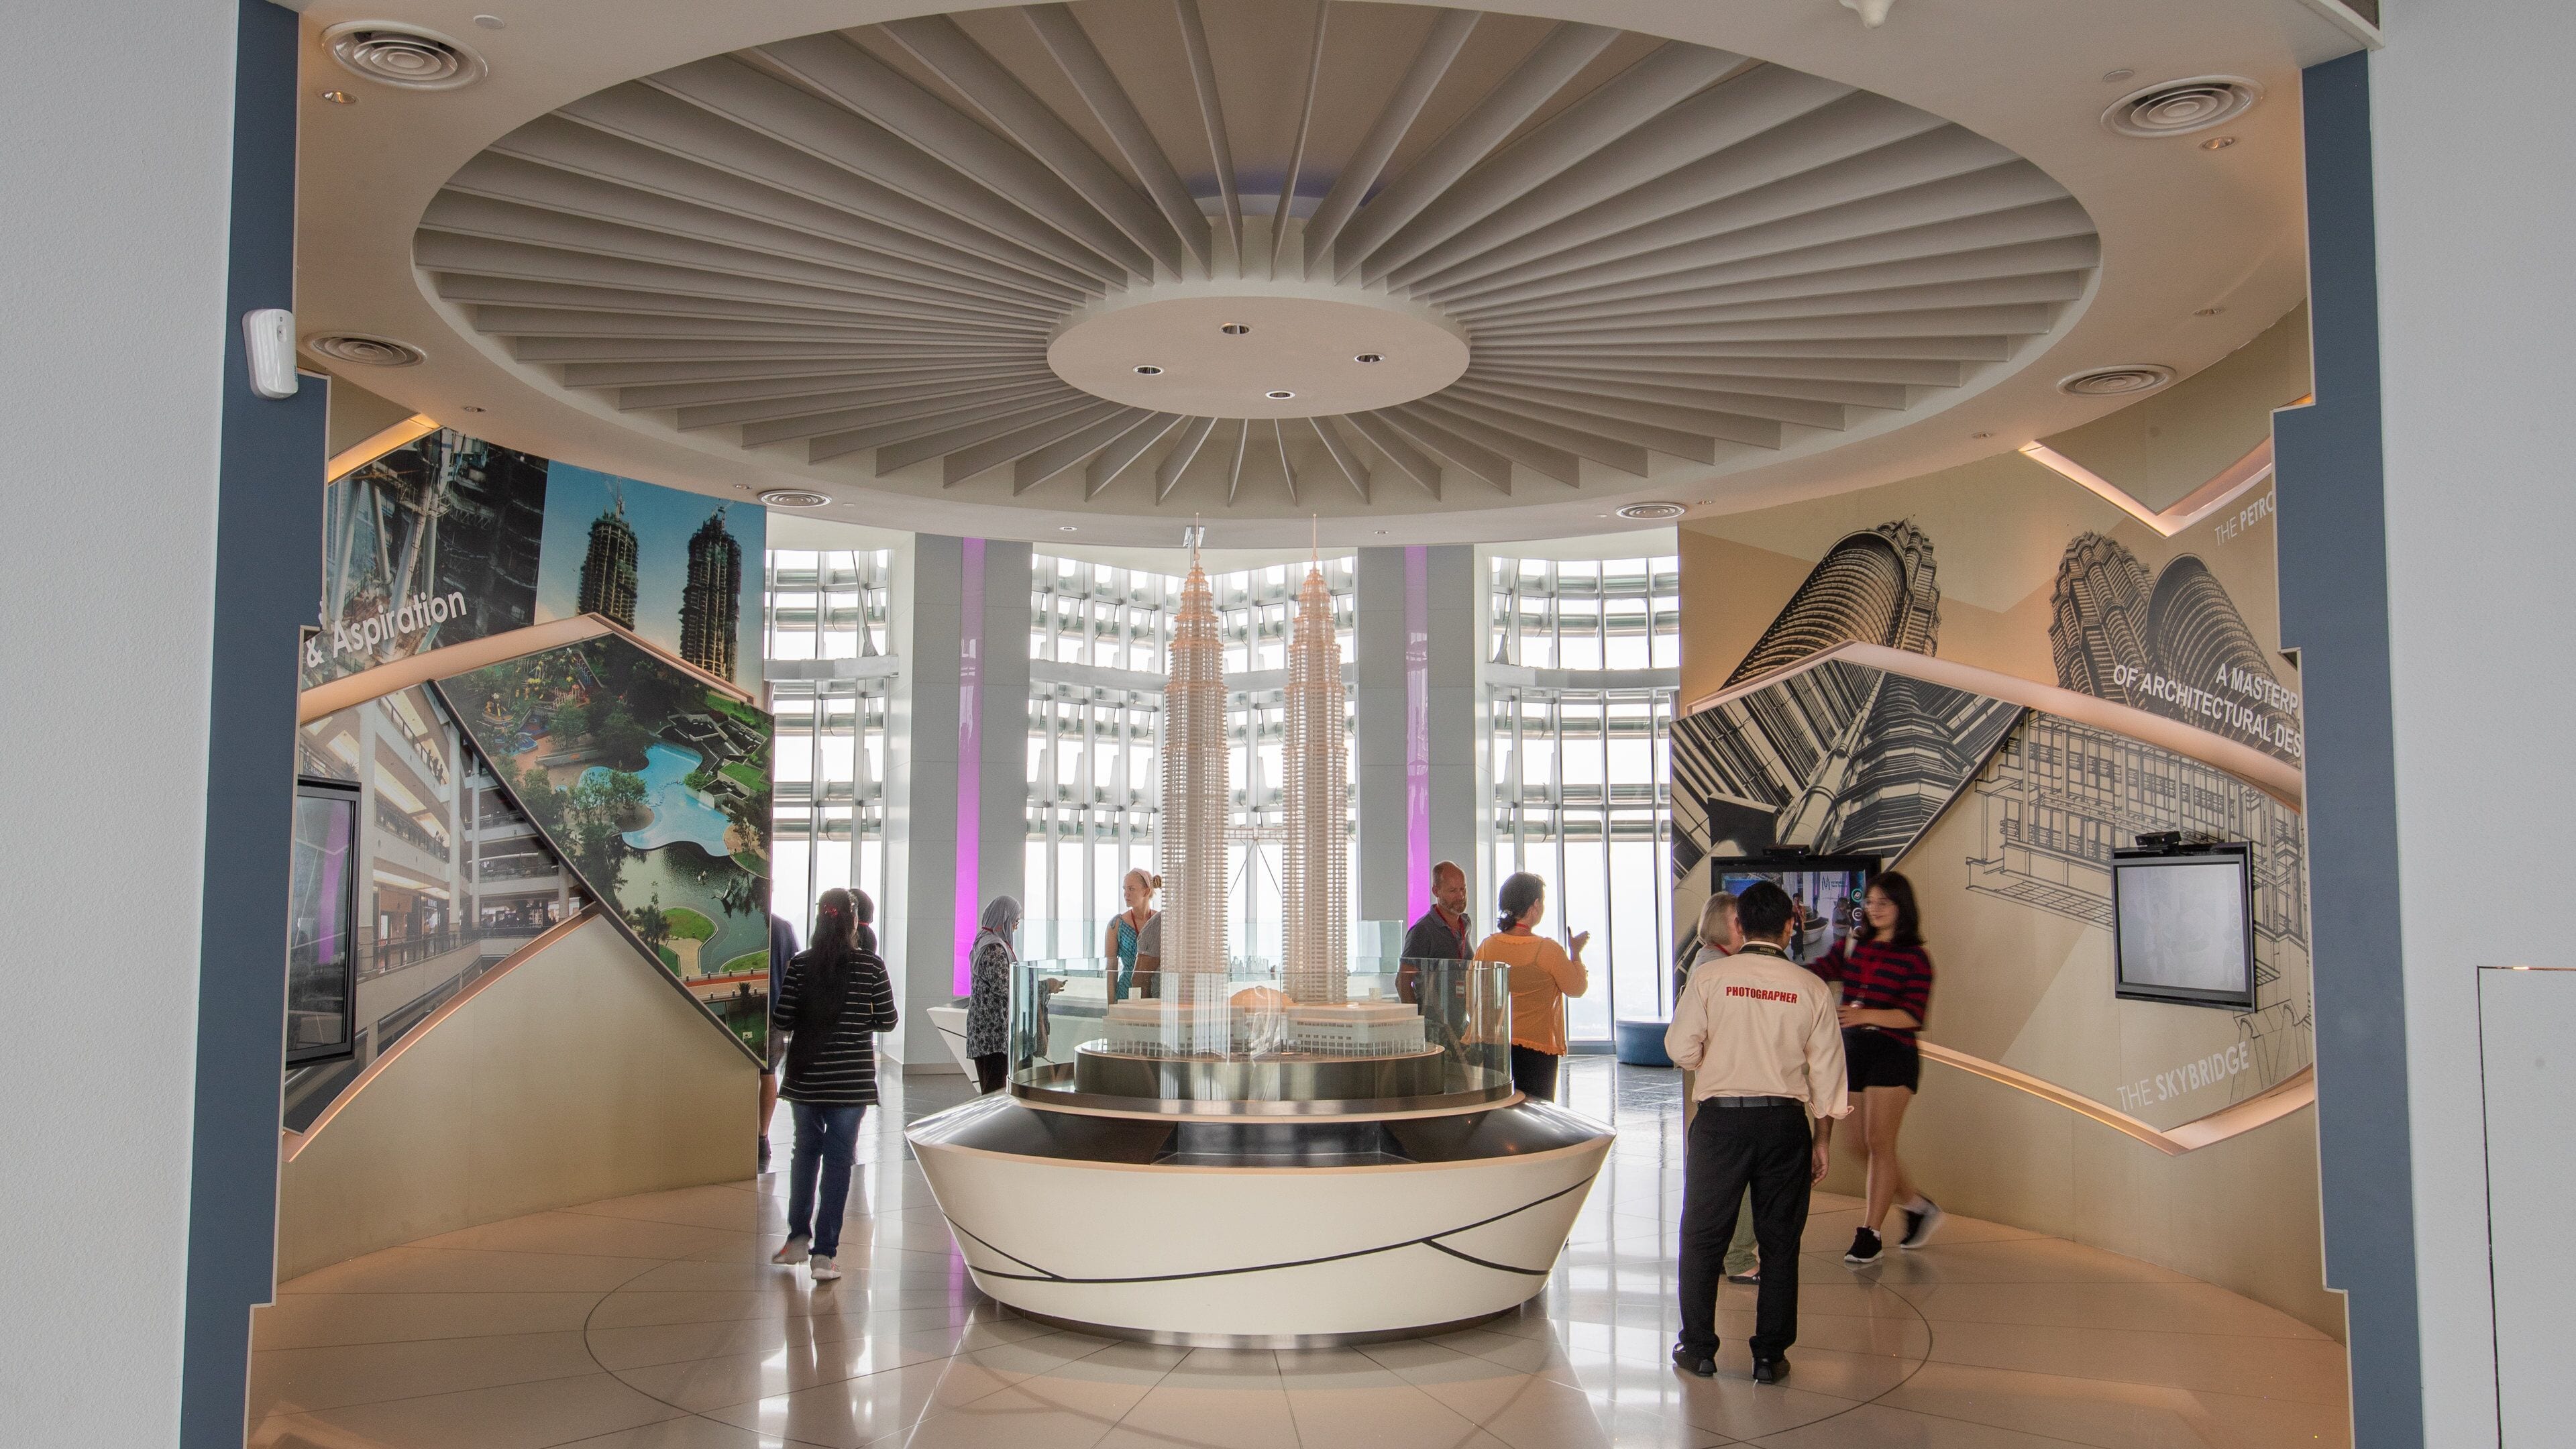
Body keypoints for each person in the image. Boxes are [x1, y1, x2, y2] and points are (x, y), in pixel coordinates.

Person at [1664, 881, 1847, 1386]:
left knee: (1702, 1238)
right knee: (1780, 1243)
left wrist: (1713, 1063)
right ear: (1791, 926)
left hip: (1721, 1122)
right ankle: (1769, 1356)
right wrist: (1822, 1138)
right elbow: (1828, 1074)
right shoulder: (1810, 988)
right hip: (1785, 1124)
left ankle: (1699, 1348)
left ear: (1739, 925)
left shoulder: (1710, 979)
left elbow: (1680, 1050)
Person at [769, 888, 897, 1283]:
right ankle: (824, 1255)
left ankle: (796, 1239)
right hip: (850, 1081)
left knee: (804, 1153)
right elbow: (889, 1020)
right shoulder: (871, 967)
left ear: (821, 920)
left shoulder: (800, 965)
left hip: (806, 1078)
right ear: (853, 922)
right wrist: (858, 1023)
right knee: (840, 1160)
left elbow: (784, 1017)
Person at [1815, 871, 1941, 1266]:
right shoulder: (1854, 946)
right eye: (1869, 902)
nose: (1874, 909)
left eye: (1883, 903)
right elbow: (1817, 971)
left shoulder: (1916, 958)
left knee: (1879, 1143)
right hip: (1855, 1051)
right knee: (1856, 1143)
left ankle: (1870, 1233)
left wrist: (1864, 1012)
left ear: (1902, 907)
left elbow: (1912, 1016)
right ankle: (1918, 1207)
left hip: (1893, 1052)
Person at [1678, 891, 1762, 1288]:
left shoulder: (1706, 964)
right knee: (1739, 1180)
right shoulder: (1718, 970)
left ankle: (1724, 1255)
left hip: (1715, 1094)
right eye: (1738, 919)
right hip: (1731, 1096)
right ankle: (1741, 1257)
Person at [1474, 872, 1588, 1102]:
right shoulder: (1547, 950)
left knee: (1497, 1109)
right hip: (1536, 1049)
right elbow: (1576, 988)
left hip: (1495, 1045)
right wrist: (1576, 952)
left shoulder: (1488, 946)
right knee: (1537, 1114)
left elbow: (1475, 993)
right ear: (1535, 905)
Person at [758, 890, 798, 1172]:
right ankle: (762, 1137)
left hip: (745, 1012)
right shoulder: (783, 928)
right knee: (768, 1073)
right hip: (774, 1014)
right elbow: (791, 973)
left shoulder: (744, 923)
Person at [1395, 860, 1472, 1007]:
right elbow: (1402, 982)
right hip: (1432, 1025)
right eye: (1453, 891)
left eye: (1463, 889)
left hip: (1459, 1021)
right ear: (1436, 891)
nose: (1461, 896)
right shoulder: (1423, 930)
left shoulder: (1466, 924)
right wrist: (1416, 1022)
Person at [965, 894, 1021, 1093]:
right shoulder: (995, 948)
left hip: (985, 1034)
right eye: (1015, 920)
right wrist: (1041, 988)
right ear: (1004, 919)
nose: (1016, 926)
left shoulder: (983, 940)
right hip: (993, 1036)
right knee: (994, 1095)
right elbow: (1006, 987)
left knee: (991, 1091)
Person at [1102, 869, 1160, 1002]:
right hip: (1125, 993)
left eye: (1131, 889)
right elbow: (1111, 969)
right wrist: (1111, 1006)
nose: (1126, 894)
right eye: (1125, 889)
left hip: (1155, 993)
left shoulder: (1160, 922)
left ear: (1146, 891)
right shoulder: (1116, 925)